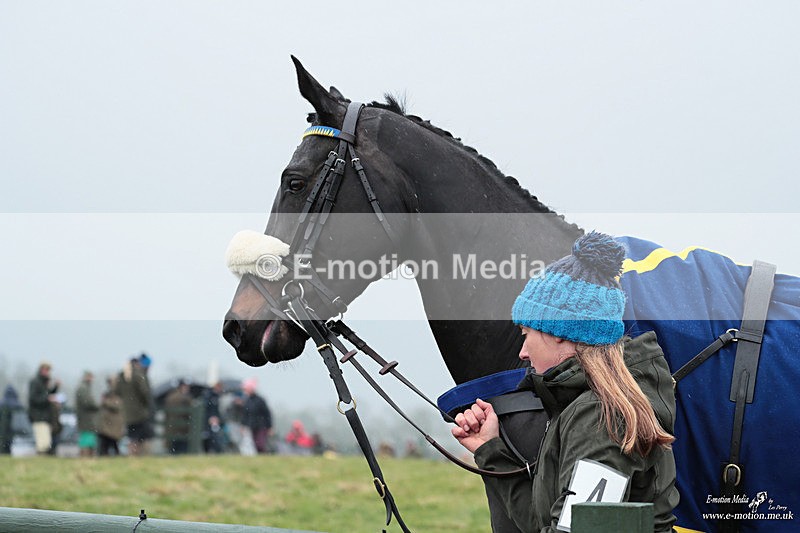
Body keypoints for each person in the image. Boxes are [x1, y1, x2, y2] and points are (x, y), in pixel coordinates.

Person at [452, 232, 679, 533]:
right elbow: (548, 524)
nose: (522, 352)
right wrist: (490, 449)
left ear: (558, 332)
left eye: (526, 334)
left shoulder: (599, 417)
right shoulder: (587, 406)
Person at [116, 354, 153, 456]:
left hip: (127, 414)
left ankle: (132, 456)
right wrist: (146, 404)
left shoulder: (121, 376)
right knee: (145, 437)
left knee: (132, 437)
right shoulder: (138, 375)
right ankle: (141, 456)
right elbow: (145, 392)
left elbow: (117, 391)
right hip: (140, 413)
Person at [27, 362, 60, 455]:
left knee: (46, 442)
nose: (48, 372)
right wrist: (48, 399)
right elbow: (33, 398)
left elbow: (47, 394)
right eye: (47, 370)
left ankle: (41, 459)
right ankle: (40, 458)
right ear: (41, 370)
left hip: (44, 416)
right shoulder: (35, 382)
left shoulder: (43, 382)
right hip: (38, 416)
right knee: (43, 442)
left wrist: (56, 387)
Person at [240, 378, 273, 454]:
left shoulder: (260, 400)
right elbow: (245, 414)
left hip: (261, 426)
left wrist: (270, 426)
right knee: (255, 445)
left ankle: (264, 456)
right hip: (252, 426)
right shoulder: (247, 400)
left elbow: (267, 413)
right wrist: (243, 425)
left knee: (260, 444)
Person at [97, 376, 125, 456]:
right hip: (106, 424)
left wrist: (106, 402)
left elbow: (117, 406)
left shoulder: (119, 394)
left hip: (114, 425)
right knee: (105, 445)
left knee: (113, 443)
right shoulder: (108, 394)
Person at [163, 380, 193, 455]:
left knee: (173, 450)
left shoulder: (170, 397)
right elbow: (190, 412)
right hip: (182, 429)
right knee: (182, 450)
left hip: (171, 428)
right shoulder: (185, 398)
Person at [75, 371, 99, 457]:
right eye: (90, 377)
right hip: (86, 420)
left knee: (88, 439)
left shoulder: (85, 387)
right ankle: (85, 457)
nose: (92, 379)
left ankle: (87, 457)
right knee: (86, 441)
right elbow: (88, 403)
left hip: (86, 419)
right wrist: (98, 406)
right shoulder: (83, 388)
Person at [202, 381, 226, 453]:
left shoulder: (217, 396)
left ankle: (216, 450)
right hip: (209, 420)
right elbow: (207, 408)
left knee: (215, 435)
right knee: (210, 436)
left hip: (215, 420)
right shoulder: (209, 396)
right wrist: (211, 417)